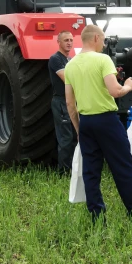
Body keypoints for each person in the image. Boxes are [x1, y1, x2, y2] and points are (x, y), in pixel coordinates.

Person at [64, 25, 132, 225]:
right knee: (123, 168)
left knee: (91, 172)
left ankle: (97, 218)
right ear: (95, 37)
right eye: (102, 40)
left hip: (86, 122)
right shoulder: (103, 59)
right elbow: (115, 91)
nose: (103, 44)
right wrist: (129, 85)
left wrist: (78, 129)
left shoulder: (70, 65)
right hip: (107, 121)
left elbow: (69, 103)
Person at [48, 31, 77, 174]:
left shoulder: (70, 59)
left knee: (74, 137)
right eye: (66, 40)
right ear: (58, 41)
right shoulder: (55, 59)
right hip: (61, 101)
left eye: (71, 40)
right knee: (66, 138)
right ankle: (64, 172)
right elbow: (68, 79)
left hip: (72, 101)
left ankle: (73, 169)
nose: (69, 43)